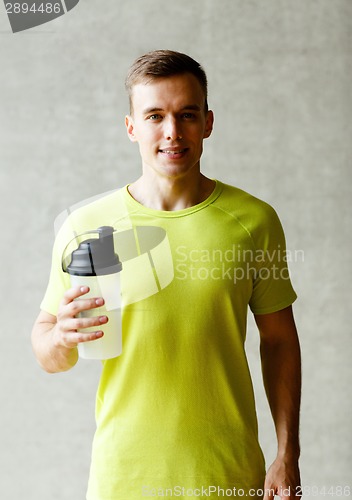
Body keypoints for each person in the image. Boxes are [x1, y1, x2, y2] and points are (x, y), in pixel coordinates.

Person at [31, 50, 301, 500]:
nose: (172, 132)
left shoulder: (254, 221)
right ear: (131, 127)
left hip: (230, 477)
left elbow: (279, 341)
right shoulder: (85, 228)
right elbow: (47, 349)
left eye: (187, 115)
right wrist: (59, 338)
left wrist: (287, 453)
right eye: (155, 115)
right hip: (123, 481)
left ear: (208, 123)